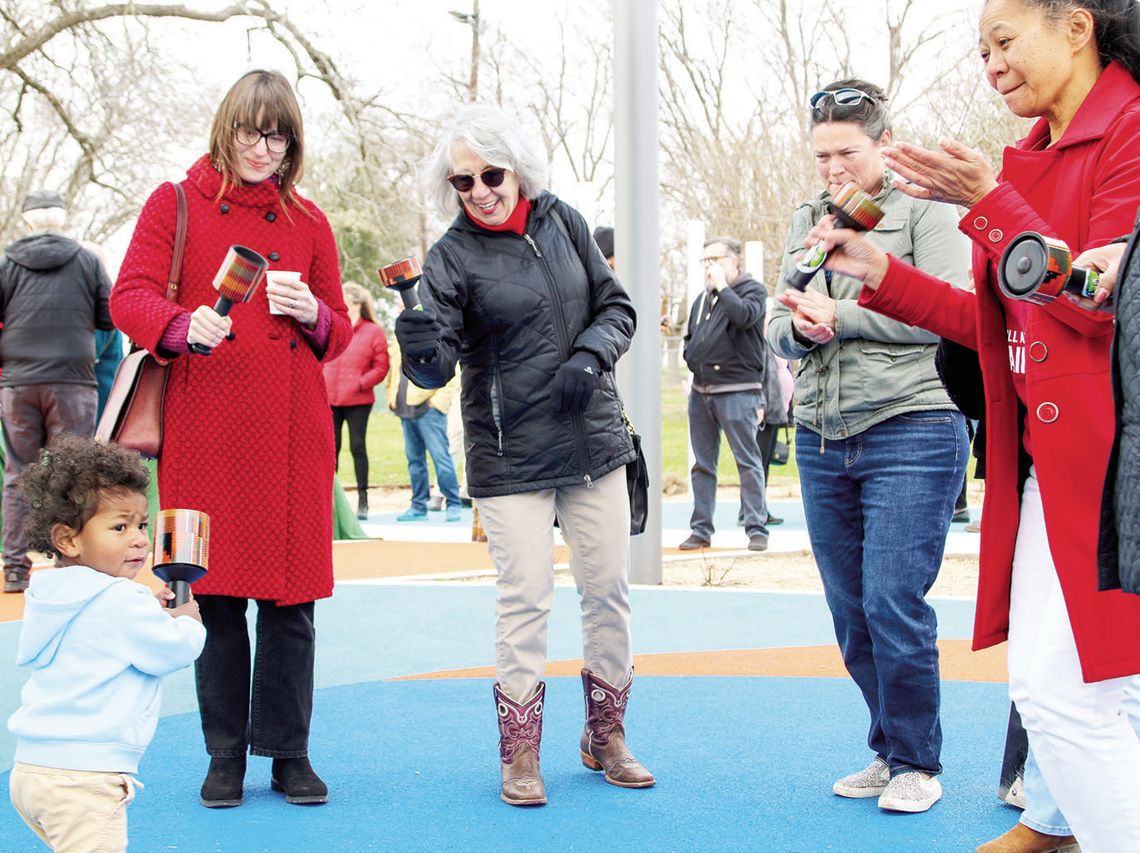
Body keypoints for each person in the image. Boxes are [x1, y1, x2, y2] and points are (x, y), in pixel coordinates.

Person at [795, 2, 1140, 847]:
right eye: (981, 48)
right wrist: (880, 272)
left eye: (1004, 40)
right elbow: (996, 322)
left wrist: (987, 200)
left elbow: (1100, 305)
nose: (990, 63)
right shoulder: (1028, 155)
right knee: (1082, 683)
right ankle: (1056, 823)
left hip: (1107, 458)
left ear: (1077, 27)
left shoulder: (1128, 132)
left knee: (1064, 687)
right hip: (1047, 459)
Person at [394, 103, 652, 806]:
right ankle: (520, 752)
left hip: (592, 437)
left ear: (518, 167)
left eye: (491, 173)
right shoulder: (450, 257)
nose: (478, 189)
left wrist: (590, 358)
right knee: (525, 599)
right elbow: (435, 364)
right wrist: (418, 346)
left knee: (608, 593)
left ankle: (606, 735)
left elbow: (618, 307)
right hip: (509, 456)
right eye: (461, 181)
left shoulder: (563, 220)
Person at [110, 69, 352, 809]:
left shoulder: (308, 222)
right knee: (212, 600)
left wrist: (311, 309)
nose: (262, 147)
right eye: (250, 130)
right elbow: (129, 295)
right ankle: (223, 754)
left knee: (293, 605)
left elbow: (339, 329)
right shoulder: (175, 202)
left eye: (277, 135)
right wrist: (182, 324)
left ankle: (289, 752)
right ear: (227, 129)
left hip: (291, 437)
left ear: (292, 143)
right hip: (205, 428)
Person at [769, 78, 969, 814]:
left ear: (883, 143)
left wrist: (844, 318)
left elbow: (951, 312)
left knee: (892, 598)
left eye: (846, 152)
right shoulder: (809, 217)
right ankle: (888, 748)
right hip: (824, 431)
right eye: (820, 155)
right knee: (850, 609)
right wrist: (802, 326)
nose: (832, 168)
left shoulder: (926, 209)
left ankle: (918, 759)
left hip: (914, 422)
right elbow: (776, 315)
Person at [7, 435, 205, 852]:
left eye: (141, 524)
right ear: (68, 540)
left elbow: (101, 633)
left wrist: (148, 609)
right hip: (84, 777)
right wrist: (187, 623)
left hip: (32, 771)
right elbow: (170, 650)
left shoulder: (52, 592)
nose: (137, 539)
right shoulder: (119, 600)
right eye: (119, 527)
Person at [0, 190, 114, 593]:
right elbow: (108, 315)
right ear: (63, 220)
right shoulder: (87, 261)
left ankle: (15, 568)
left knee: (18, 474)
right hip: (72, 380)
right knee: (74, 474)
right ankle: (75, 563)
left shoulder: (8, 263)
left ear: (28, 221)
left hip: (18, 382)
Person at [680, 237, 771, 552]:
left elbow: (745, 316)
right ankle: (701, 529)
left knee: (747, 461)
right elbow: (691, 337)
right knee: (702, 464)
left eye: (715, 259)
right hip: (701, 390)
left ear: (734, 261)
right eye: (704, 261)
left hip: (737, 391)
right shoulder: (702, 300)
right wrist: (691, 356)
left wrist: (723, 288)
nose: (709, 267)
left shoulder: (753, 292)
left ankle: (756, 526)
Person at [323, 282, 389, 520]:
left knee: (357, 447)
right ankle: (331, 501)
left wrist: (361, 383)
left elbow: (382, 366)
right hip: (331, 398)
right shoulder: (335, 327)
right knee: (331, 450)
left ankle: (363, 500)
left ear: (356, 303)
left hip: (359, 400)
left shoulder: (373, 331)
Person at [385, 339, 462, 523]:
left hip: (429, 409)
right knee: (414, 460)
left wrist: (437, 403)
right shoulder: (398, 339)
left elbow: (453, 373)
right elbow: (393, 372)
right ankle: (418, 505)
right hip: (405, 408)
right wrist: (391, 397)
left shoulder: (434, 333)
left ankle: (453, 504)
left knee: (440, 457)